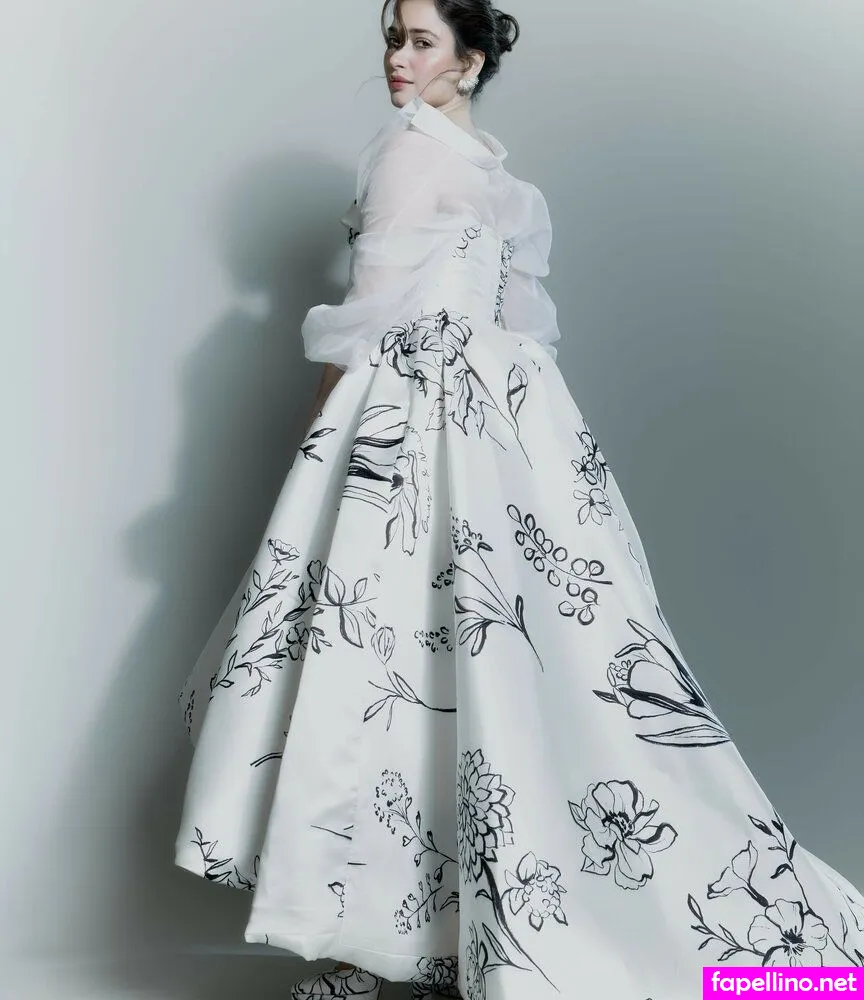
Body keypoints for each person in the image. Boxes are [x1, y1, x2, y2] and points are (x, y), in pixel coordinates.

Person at [174, 1, 864, 998]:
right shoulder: (503, 184)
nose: (397, 59)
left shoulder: (411, 158)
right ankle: (435, 938)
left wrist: (322, 439)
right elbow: (519, 331)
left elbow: (366, 321)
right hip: (500, 424)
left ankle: (377, 942)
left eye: (420, 41)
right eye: (392, 38)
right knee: (482, 670)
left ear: (470, 60)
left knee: (382, 663)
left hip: (418, 420)